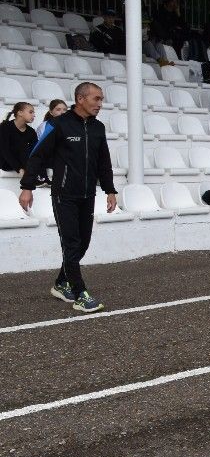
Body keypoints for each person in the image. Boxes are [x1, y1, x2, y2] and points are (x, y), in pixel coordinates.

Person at [17, 82, 115, 313]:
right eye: (96, 99)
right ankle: (80, 294)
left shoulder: (98, 127)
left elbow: (104, 161)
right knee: (71, 244)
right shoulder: (59, 125)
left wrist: (110, 190)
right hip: (64, 195)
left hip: (87, 194)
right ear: (81, 99)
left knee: (83, 243)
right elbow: (37, 156)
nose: (100, 104)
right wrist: (27, 187)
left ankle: (62, 283)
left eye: (101, 100)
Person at [0, 102, 37, 179]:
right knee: (23, 145)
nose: (34, 115)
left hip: (23, 162)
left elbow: (35, 150)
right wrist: (19, 169)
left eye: (34, 113)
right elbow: (4, 150)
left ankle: (39, 175)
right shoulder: (5, 127)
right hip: (4, 161)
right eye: (31, 112)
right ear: (20, 113)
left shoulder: (31, 131)